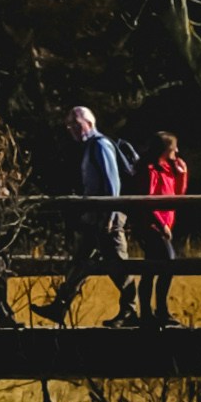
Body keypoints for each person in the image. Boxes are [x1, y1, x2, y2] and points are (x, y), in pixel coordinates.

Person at [59, 100, 129, 323]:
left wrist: (109, 216)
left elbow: (112, 184)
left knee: (117, 263)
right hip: (94, 217)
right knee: (79, 261)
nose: (72, 130)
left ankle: (130, 310)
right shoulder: (89, 147)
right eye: (69, 126)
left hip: (106, 217)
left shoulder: (100, 145)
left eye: (76, 125)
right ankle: (59, 305)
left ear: (89, 123)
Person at [137, 125, 189, 326]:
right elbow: (147, 200)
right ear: (166, 149)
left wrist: (181, 173)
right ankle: (157, 310)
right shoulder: (150, 170)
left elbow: (178, 194)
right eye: (174, 148)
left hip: (165, 223)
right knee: (167, 262)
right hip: (152, 226)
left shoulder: (167, 170)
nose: (177, 152)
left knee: (153, 266)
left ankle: (152, 312)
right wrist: (161, 224)